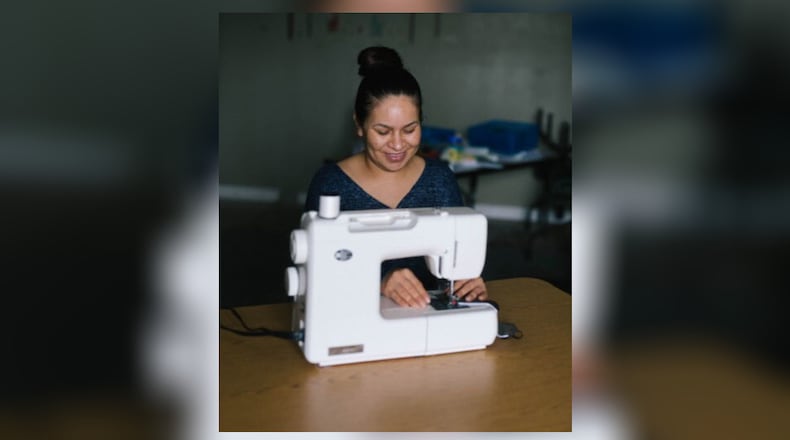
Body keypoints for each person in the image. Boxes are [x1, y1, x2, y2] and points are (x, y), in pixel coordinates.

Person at [304, 46, 487, 308]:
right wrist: (379, 282)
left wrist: (467, 282)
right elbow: (313, 274)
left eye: (410, 129)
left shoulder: (439, 179)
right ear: (359, 125)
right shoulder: (330, 184)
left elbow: (456, 262)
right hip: (351, 317)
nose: (398, 145)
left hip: (422, 319)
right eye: (383, 131)